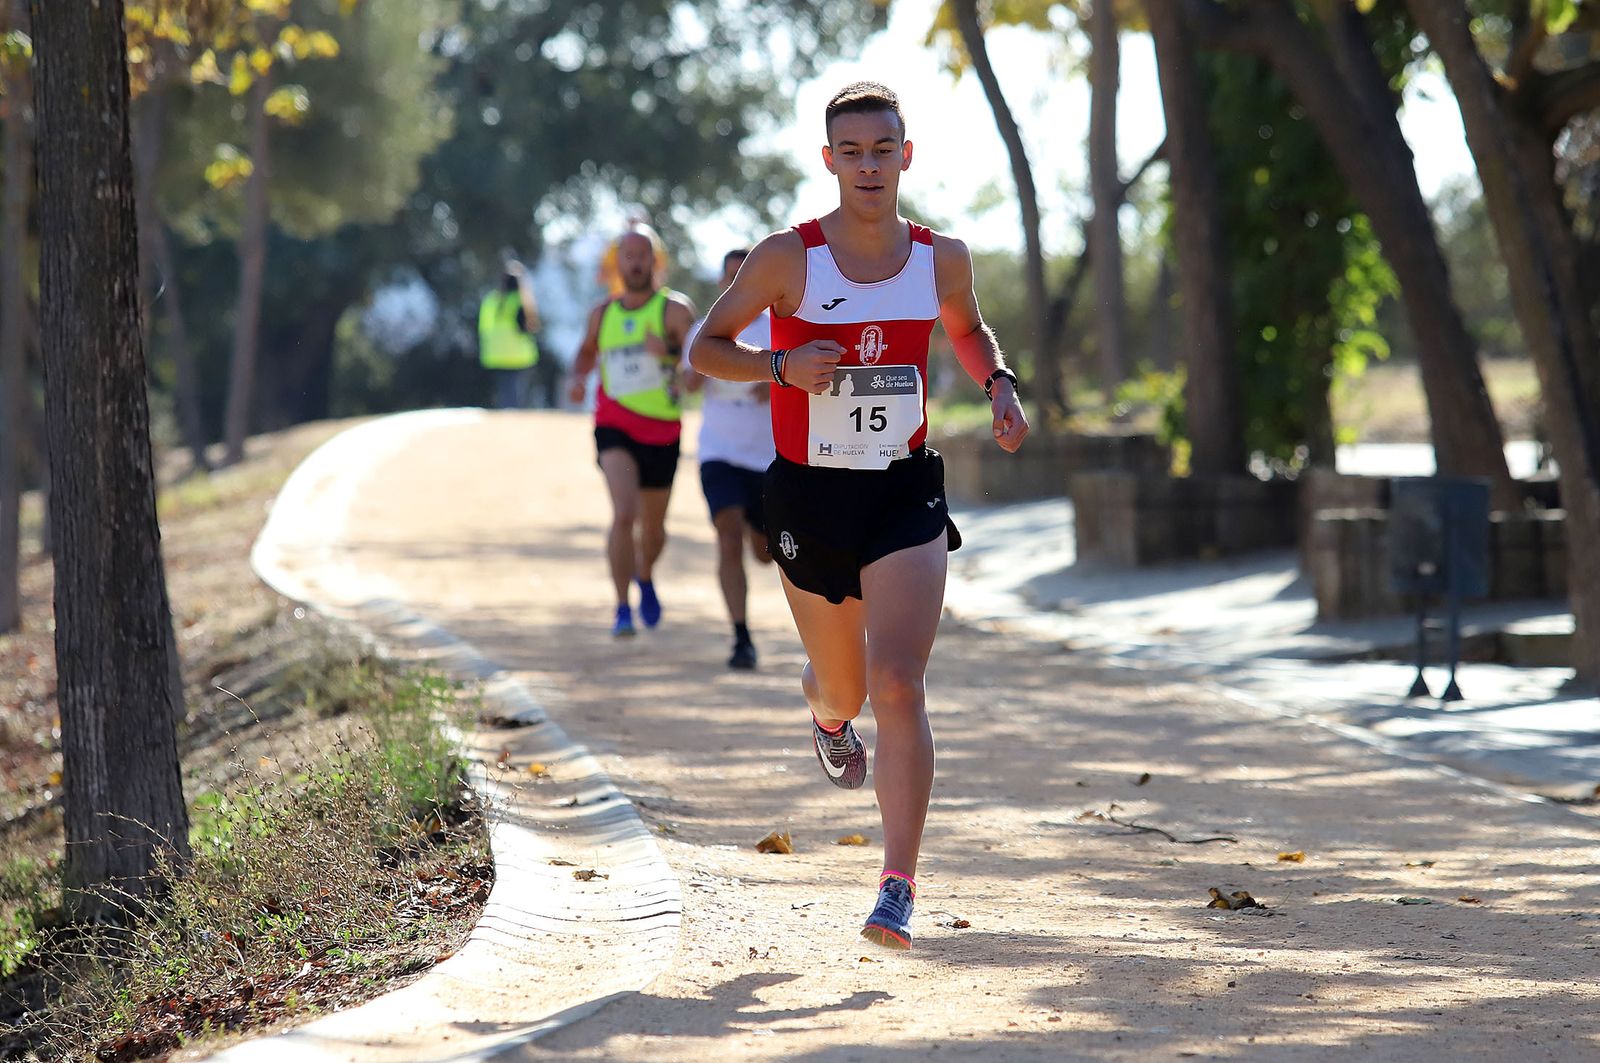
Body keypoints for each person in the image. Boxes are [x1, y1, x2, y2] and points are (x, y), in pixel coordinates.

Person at [689, 82, 1029, 950]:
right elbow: (705, 347)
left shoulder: (939, 256)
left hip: (902, 490)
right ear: (829, 160)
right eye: (853, 151)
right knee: (843, 684)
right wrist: (780, 364)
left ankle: (897, 884)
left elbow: (968, 329)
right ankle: (824, 712)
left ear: (905, 155)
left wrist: (997, 381)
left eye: (884, 149)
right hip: (809, 494)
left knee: (898, 681)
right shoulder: (786, 258)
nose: (869, 165)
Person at [568, 227, 696, 637]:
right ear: (617, 263)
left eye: (644, 255)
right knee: (624, 514)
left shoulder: (674, 311)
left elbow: (700, 366)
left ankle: (644, 574)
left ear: (656, 262)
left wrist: (671, 354)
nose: (636, 263)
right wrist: (577, 377)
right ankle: (622, 608)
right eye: (629, 255)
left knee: (654, 532)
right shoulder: (602, 314)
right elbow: (587, 352)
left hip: (662, 430)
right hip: (614, 425)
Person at [684, 249, 775, 670]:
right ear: (722, 284)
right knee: (726, 534)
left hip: (767, 457)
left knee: (763, 551)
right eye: (731, 278)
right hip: (718, 451)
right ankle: (741, 638)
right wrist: (692, 373)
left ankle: (760, 537)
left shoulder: (781, 330)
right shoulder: (705, 330)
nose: (737, 286)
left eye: (745, 278)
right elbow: (686, 383)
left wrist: (776, 383)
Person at [478, 262, 542, 409]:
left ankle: (504, 410)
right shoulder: (523, 300)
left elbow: (483, 327)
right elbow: (529, 327)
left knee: (505, 388)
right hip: (519, 354)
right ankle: (513, 414)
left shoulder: (491, 300)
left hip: (495, 353)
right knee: (517, 390)